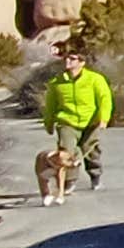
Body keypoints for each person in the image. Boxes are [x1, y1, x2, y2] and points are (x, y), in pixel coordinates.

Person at [41, 46, 115, 199]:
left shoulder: (95, 79)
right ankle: (69, 181)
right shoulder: (57, 82)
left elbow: (104, 99)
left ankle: (95, 176)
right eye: (66, 58)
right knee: (66, 152)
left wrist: (104, 119)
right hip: (67, 122)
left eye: (72, 59)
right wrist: (48, 123)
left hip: (91, 121)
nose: (68, 61)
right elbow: (50, 104)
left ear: (82, 62)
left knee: (90, 149)